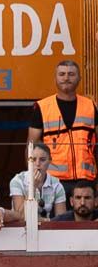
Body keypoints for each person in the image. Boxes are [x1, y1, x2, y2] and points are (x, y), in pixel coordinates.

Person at [27, 60, 96, 199]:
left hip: (86, 181)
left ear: (79, 78)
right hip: (53, 181)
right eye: (62, 74)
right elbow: (31, 146)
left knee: (86, 220)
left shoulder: (91, 106)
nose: (66, 78)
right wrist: (32, 180)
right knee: (55, 220)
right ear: (55, 78)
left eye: (71, 74)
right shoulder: (42, 107)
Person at [10, 142, 67, 222]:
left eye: (42, 160)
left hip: (47, 231)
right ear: (28, 161)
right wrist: (33, 187)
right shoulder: (17, 181)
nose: (37, 164)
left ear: (50, 161)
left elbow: (62, 220)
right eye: (33, 160)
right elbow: (21, 216)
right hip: (22, 230)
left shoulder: (56, 185)